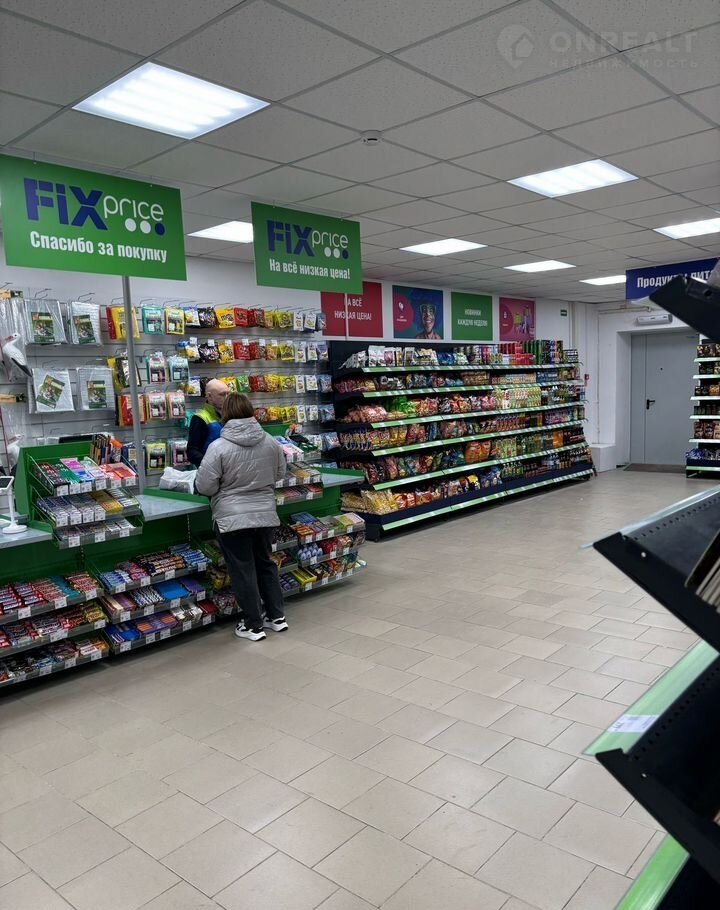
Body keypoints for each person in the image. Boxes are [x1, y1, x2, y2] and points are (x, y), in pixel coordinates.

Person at [195, 392, 288, 641]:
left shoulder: (218, 447)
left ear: (225, 414)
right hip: (265, 514)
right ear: (251, 411)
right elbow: (280, 473)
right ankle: (276, 617)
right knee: (265, 562)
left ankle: (253, 625)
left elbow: (205, 486)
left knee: (243, 569)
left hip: (232, 517)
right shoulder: (270, 442)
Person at [187, 379, 229, 467]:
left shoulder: (231, 415)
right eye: (222, 394)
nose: (226, 398)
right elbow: (192, 452)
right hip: (211, 471)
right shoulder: (200, 418)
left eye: (227, 394)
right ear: (209, 396)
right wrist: (212, 465)